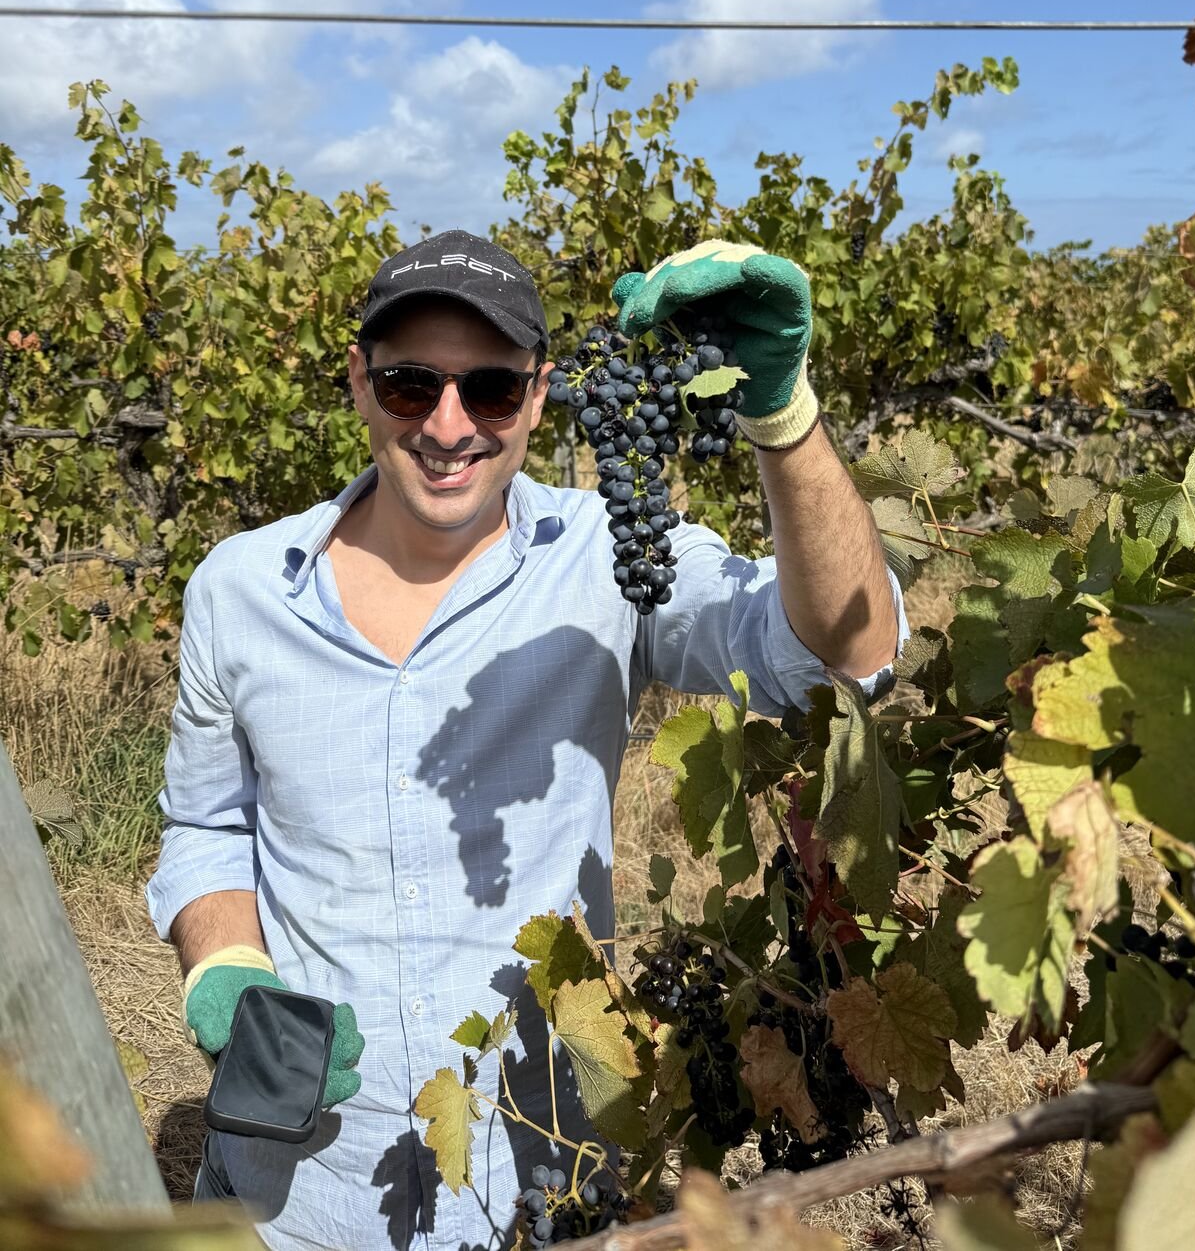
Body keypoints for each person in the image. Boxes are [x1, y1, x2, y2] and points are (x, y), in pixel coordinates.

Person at [146, 229, 908, 1251]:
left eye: (492, 390)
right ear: (359, 384)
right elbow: (205, 820)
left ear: (541, 397)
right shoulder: (238, 591)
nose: (449, 426)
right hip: (289, 1198)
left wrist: (781, 417)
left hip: (539, 1187)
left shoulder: (609, 560)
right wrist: (223, 966)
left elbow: (848, 654)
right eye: (412, 385)